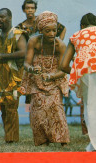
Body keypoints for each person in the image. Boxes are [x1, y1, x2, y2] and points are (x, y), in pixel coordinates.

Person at [60, 13, 96, 152]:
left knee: (92, 106)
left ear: (82, 26)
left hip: (88, 71)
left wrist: (77, 74)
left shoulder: (77, 35)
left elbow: (63, 65)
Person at [20, 11, 70, 146]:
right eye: (48, 31)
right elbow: (26, 63)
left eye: (54, 31)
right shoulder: (34, 41)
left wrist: (51, 76)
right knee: (38, 111)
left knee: (56, 108)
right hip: (37, 79)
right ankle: (43, 140)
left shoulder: (60, 45)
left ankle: (62, 140)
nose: (52, 34)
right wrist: (32, 69)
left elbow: (63, 70)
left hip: (54, 80)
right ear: (41, 30)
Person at [16, 0, 67, 106]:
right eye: (27, 8)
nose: (30, 10)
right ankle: (29, 112)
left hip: (51, 60)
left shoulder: (45, 21)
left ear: (35, 9)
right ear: (24, 10)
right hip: (32, 59)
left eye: (32, 8)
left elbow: (63, 28)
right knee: (29, 96)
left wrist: (55, 43)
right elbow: (22, 48)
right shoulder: (21, 27)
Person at [0, 8, 27, 143]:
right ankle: (8, 137)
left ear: (10, 18)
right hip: (1, 77)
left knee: (12, 108)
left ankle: (12, 138)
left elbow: (23, 52)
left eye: (2, 17)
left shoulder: (18, 34)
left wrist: (3, 57)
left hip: (14, 77)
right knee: (4, 109)